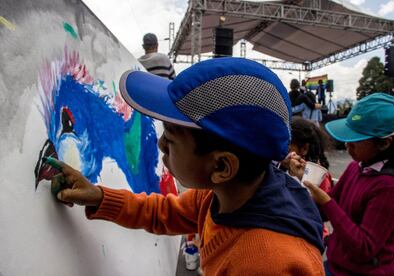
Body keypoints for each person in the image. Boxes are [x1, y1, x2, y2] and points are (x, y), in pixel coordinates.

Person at [53, 58, 325, 275]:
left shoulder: (265, 263)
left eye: (170, 138)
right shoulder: (218, 197)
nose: (160, 144)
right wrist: (99, 196)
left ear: (221, 166)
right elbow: (163, 212)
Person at [291, 93, 394, 276]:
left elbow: (364, 248)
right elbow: (323, 213)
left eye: (355, 140)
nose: (347, 145)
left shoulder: (391, 188)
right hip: (336, 265)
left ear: (384, 143)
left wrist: (326, 201)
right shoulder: (355, 167)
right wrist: (303, 181)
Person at [281, 117, 333, 239]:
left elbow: (319, 211)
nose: (281, 151)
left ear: (304, 149)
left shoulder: (317, 176)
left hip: (307, 236)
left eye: (287, 146)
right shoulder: (280, 167)